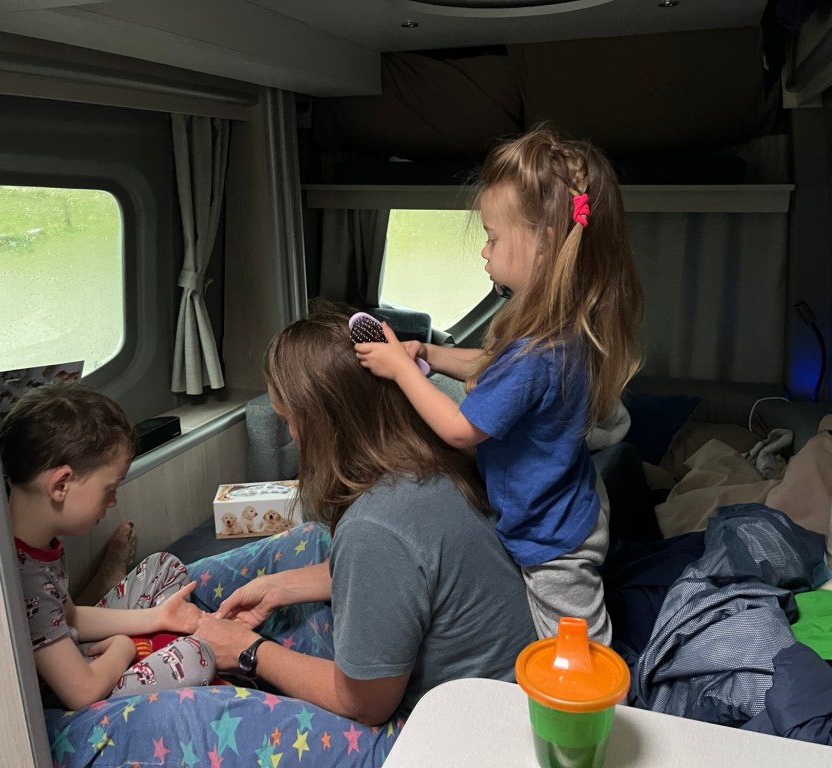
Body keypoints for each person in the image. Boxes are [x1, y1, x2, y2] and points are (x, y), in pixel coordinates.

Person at [354, 125, 644, 645]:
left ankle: (618, 693)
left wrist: (401, 370)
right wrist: (431, 355)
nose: (484, 252)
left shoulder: (538, 351)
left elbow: (461, 429)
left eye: (492, 237)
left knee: (579, 648)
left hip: (552, 538)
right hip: (572, 500)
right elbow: (493, 365)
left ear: (544, 244)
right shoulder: (557, 329)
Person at [192, 300, 536, 734]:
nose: (293, 437)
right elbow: (406, 575)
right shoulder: (434, 462)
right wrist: (278, 587)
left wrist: (248, 651)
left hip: (463, 730)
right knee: (309, 541)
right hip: (505, 688)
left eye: (289, 421)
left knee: (195, 720)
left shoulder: (375, 527)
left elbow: (363, 704)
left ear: (321, 425)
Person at [0, 380, 217, 710]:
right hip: (69, 701)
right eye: (109, 489)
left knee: (164, 565)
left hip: (76, 656)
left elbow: (71, 617)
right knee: (194, 658)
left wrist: (159, 617)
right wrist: (123, 649)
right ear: (60, 485)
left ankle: (158, 640)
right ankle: (156, 651)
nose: (112, 501)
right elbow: (82, 692)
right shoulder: (25, 577)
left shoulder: (37, 544)